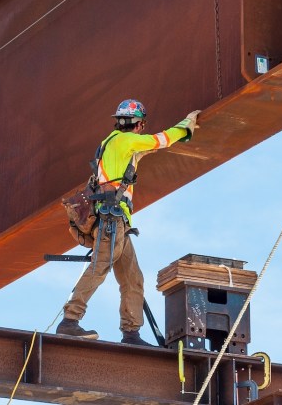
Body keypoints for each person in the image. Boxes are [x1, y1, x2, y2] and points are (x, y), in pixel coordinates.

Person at [56, 99, 200, 346]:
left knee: (132, 278)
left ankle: (131, 333)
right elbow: (160, 140)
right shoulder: (126, 141)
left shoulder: (111, 143)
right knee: (99, 267)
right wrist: (186, 125)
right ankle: (70, 320)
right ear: (139, 124)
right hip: (112, 221)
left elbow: (138, 154)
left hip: (117, 223)